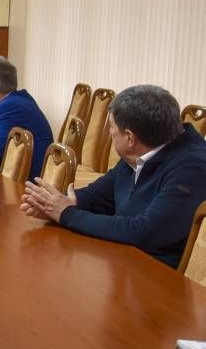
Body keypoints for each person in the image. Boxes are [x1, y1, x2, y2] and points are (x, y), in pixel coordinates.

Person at [21, 85, 206, 267]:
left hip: (157, 274)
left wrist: (66, 213)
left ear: (129, 138)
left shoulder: (192, 168)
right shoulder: (140, 152)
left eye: (111, 127)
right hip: (122, 259)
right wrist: (57, 204)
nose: (109, 133)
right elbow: (98, 196)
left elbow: (142, 232)